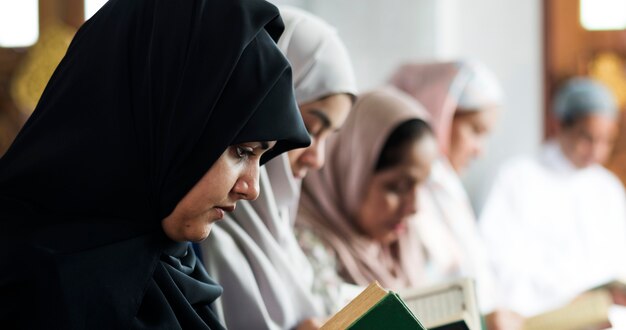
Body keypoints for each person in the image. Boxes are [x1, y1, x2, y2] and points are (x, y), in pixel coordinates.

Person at [0, 0, 311, 328]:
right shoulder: (34, 290)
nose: (252, 189)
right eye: (242, 152)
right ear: (164, 122)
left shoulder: (171, 261)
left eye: (261, 157)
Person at [198, 6, 357, 330]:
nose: (318, 158)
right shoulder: (199, 234)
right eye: (309, 128)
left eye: (329, 137)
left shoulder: (284, 234)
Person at [390, 61, 524, 330]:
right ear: (440, 115)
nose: (480, 151)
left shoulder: (447, 187)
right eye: (475, 130)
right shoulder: (407, 194)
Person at [479, 77, 626, 317]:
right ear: (558, 125)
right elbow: (496, 260)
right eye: (587, 138)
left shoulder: (609, 189)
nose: (597, 151)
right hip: (541, 318)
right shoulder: (517, 177)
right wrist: (566, 297)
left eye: (606, 141)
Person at [295, 86, 439, 312]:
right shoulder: (303, 251)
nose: (415, 207)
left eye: (423, 186)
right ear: (349, 170)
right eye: (398, 187)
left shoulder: (404, 246)